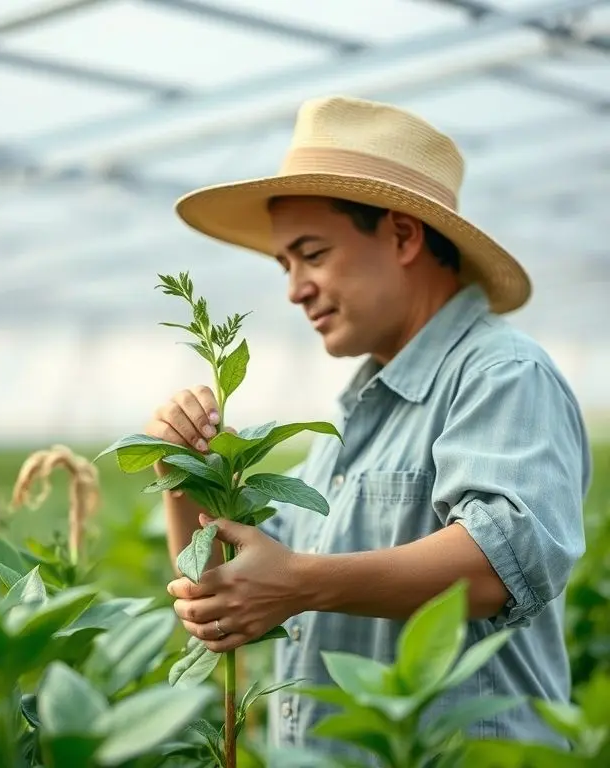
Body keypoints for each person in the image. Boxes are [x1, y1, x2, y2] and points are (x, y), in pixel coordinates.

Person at [146, 96, 591, 762]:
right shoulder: (351, 418)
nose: (295, 288)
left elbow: (500, 564)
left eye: (312, 254)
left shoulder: (501, 373)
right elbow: (230, 593)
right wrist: (185, 477)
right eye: (284, 265)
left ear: (404, 236)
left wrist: (299, 581)